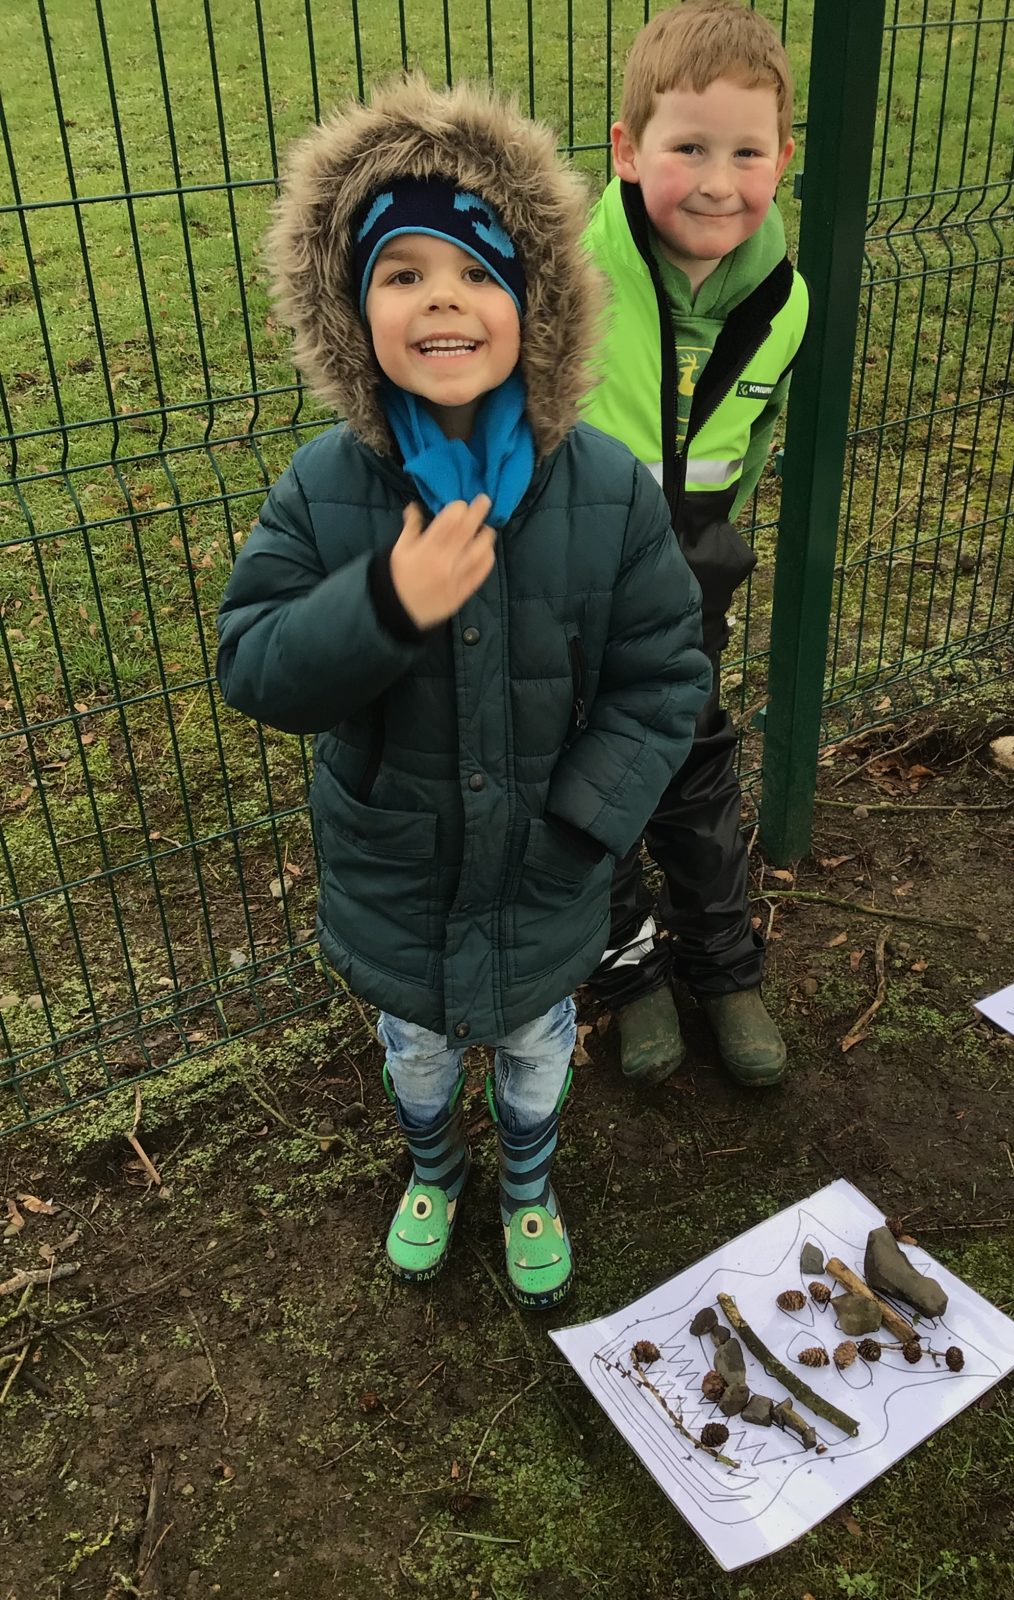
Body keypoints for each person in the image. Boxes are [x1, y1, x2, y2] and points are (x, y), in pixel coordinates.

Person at [216, 77, 710, 1309]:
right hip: (400, 868)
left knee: (537, 1045)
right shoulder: (326, 489)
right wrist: (385, 602)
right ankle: (434, 1165)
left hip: (547, 867)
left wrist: (586, 822)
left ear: (536, 305)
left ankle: (528, 1179)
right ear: (352, 313)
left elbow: (663, 675)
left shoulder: (609, 491)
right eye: (402, 274)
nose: (441, 298)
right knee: (421, 1048)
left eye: (478, 272)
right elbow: (254, 659)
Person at [580, 0, 809, 1087]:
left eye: (747, 153)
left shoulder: (786, 301)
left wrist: (705, 544)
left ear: (783, 158)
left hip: (687, 583)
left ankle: (724, 967)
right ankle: (628, 977)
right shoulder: (563, 278)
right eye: (688, 150)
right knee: (588, 779)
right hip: (574, 581)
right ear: (628, 150)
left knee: (691, 762)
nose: (720, 183)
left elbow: (755, 441)